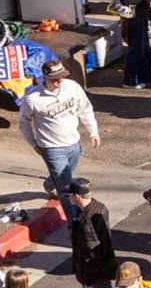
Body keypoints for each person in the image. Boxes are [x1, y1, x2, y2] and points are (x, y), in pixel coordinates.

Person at [18, 59, 99, 219]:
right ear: (44, 77)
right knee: (67, 188)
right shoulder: (32, 98)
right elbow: (23, 122)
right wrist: (33, 142)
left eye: (62, 76)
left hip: (74, 143)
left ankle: (50, 183)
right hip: (52, 148)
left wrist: (93, 131)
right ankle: (73, 222)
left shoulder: (72, 87)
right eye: (55, 78)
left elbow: (85, 109)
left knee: (67, 173)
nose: (59, 81)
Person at [66, 178, 118, 288]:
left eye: (69, 195)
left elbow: (92, 253)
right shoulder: (98, 208)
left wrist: (88, 282)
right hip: (94, 275)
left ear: (77, 196)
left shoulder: (87, 221)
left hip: (95, 278)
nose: (67, 197)